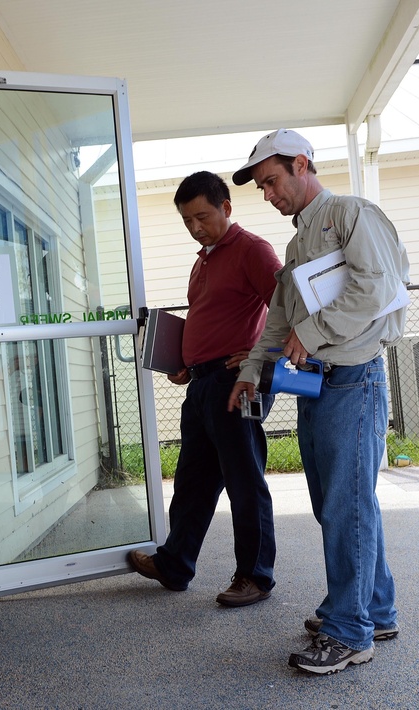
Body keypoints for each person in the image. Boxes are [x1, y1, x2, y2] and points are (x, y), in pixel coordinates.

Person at [229, 129, 409, 674]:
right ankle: (373, 610)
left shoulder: (354, 214)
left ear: (302, 164)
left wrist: (314, 331)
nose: (268, 194)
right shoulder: (296, 243)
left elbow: (377, 287)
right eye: (262, 187)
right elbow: (279, 320)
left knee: (345, 505)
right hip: (317, 385)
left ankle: (349, 632)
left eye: (272, 181)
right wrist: (250, 371)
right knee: (342, 503)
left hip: (355, 379)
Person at [128, 171, 281, 607]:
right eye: (186, 220)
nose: (195, 227)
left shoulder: (252, 249)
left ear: (226, 208)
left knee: (244, 481)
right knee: (193, 480)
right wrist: (185, 363)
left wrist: (258, 356)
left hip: (236, 384)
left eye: (202, 216)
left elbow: (286, 307)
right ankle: (175, 564)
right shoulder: (205, 259)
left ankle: (255, 577)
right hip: (201, 382)